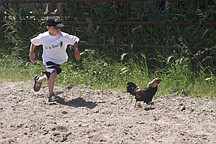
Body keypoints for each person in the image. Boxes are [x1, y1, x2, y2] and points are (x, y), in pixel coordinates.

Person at [29, 17, 80, 102]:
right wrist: (31, 53)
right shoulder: (43, 37)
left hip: (60, 59)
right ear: (48, 27)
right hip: (48, 59)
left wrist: (76, 50)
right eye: (56, 27)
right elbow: (33, 42)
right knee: (53, 73)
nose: (58, 29)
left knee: (50, 75)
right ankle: (51, 95)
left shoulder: (63, 36)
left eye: (59, 27)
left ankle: (38, 80)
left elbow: (74, 40)